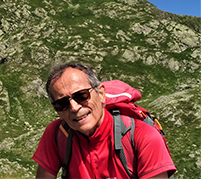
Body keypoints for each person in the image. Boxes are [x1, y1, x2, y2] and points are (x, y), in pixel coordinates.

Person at [32, 62, 176, 179]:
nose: (74, 107)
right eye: (62, 104)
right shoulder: (57, 134)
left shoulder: (144, 137)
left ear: (100, 94)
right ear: (56, 110)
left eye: (81, 96)